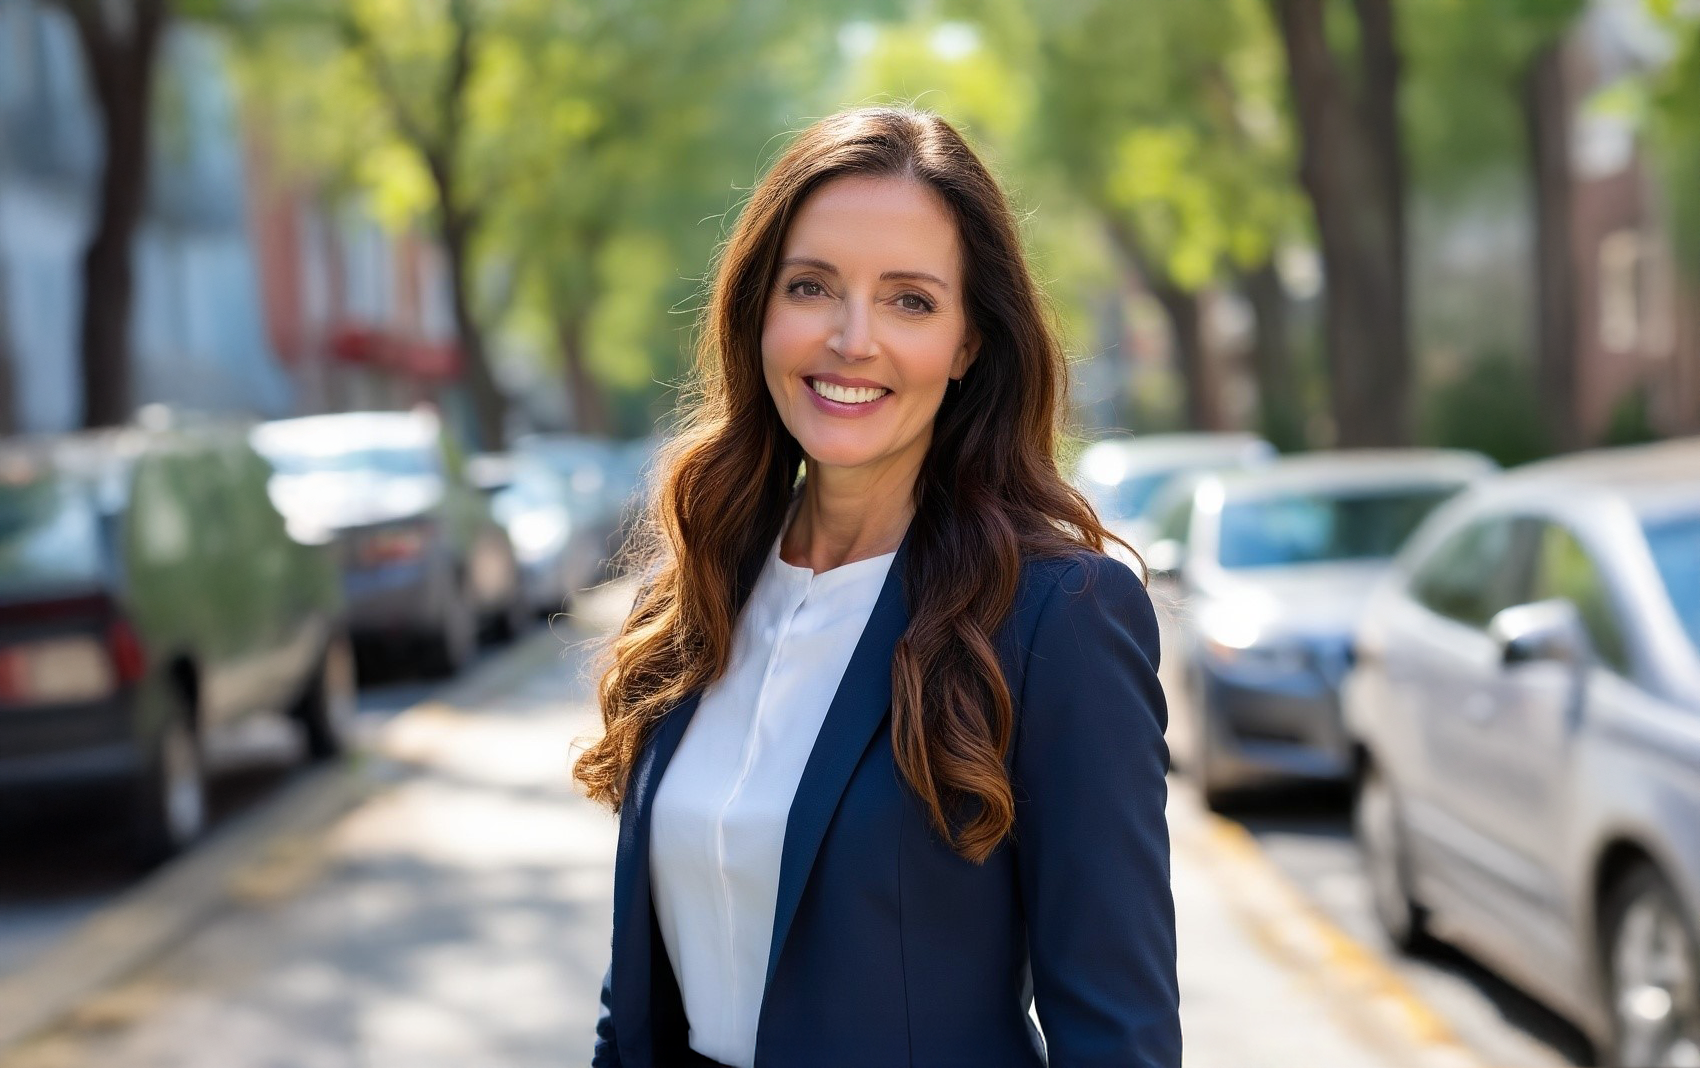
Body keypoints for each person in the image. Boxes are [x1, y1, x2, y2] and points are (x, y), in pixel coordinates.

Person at [577, 106, 1178, 1068]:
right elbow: (638, 1003)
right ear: (758, 313)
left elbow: (1117, 1032)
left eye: (910, 300)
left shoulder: (1056, 617)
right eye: (812, 286)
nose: (852, 339)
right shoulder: (694, 595)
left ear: (970, 343)